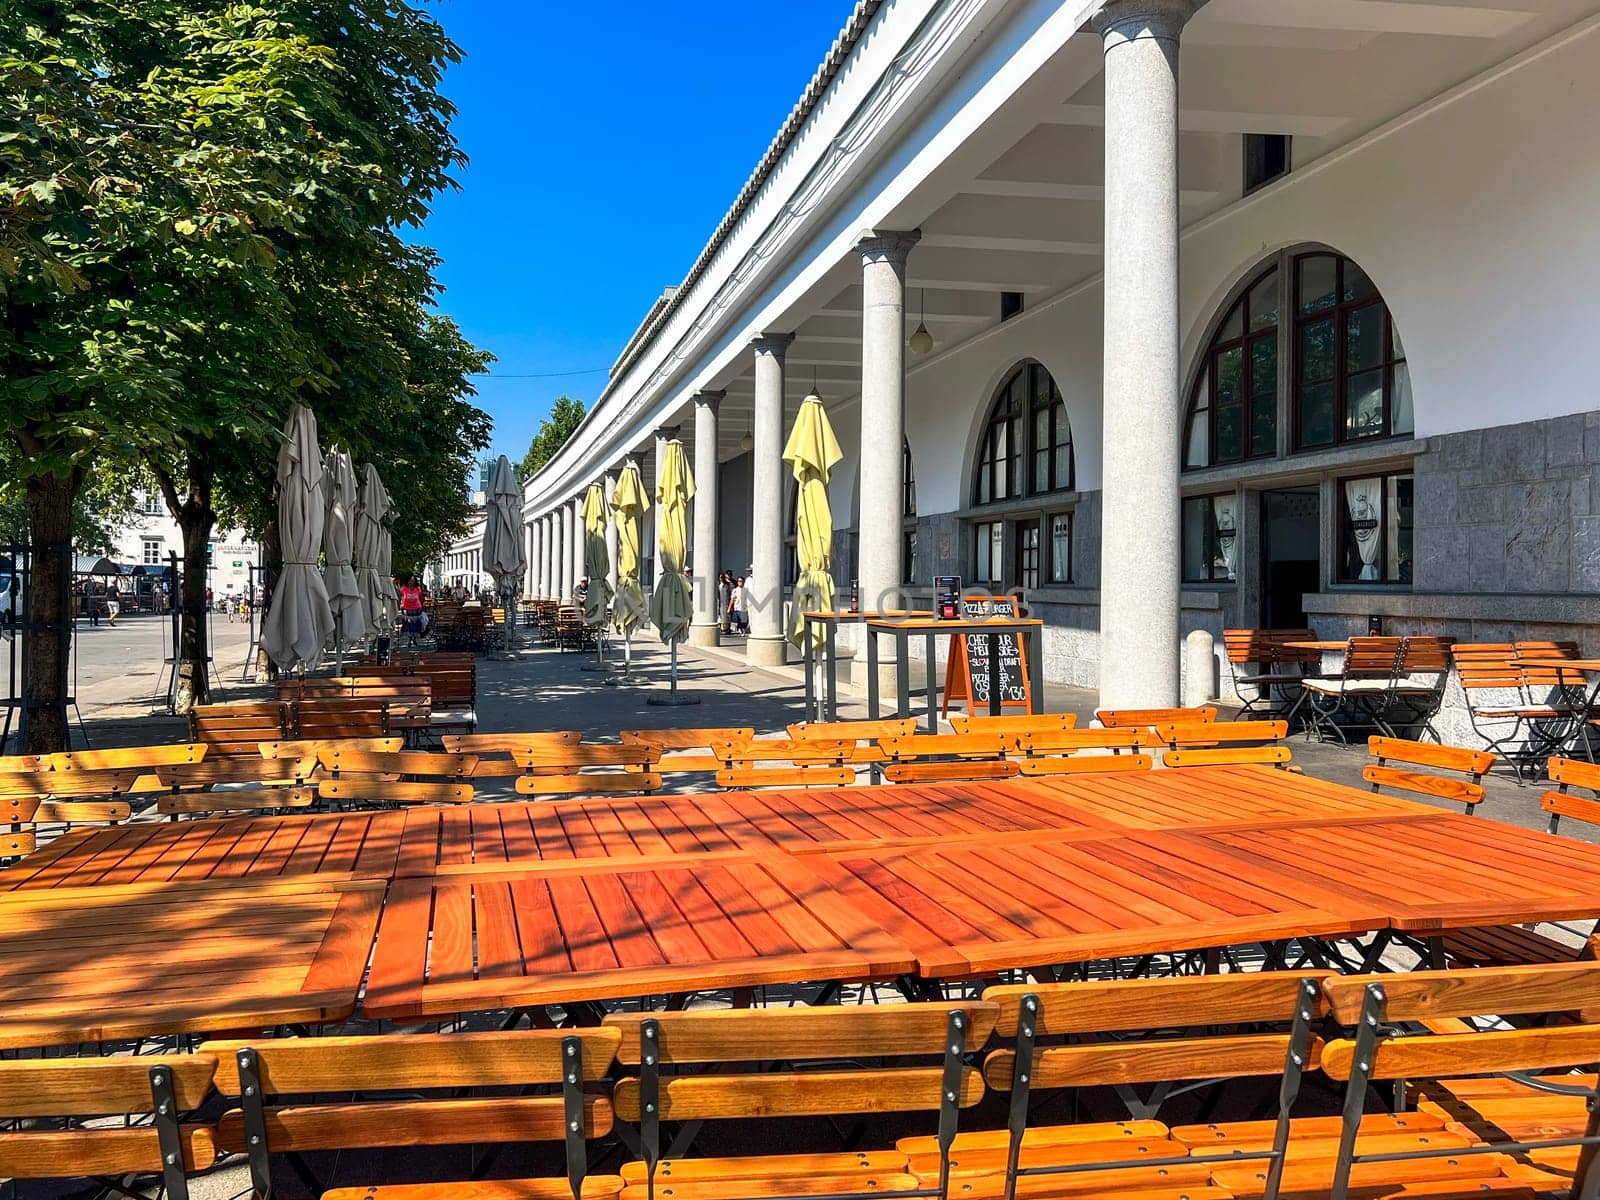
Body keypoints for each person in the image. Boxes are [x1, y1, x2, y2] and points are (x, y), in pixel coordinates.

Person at [399, 575, 426, 645]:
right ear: (407, 581)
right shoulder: (404, 588)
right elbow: (401, 598)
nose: (411, 582)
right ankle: (410, 639)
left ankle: (414, 638)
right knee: (409, 625)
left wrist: (423, 606)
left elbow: (421, 598)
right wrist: (401, 606)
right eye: (410, 580)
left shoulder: (417, 588)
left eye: (413, 581)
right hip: (407, 609)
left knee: (416, 624)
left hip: (417, 608)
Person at [717, 570, 732, 635]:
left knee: (726, 617)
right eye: (720, 577)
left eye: (722, 577)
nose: (721, 579)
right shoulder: (718, 585)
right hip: (720, 603)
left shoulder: (727, 585)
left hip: (726, 603)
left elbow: (730, 595)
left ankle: (727, 629)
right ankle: (722, 628)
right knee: (721, 616)